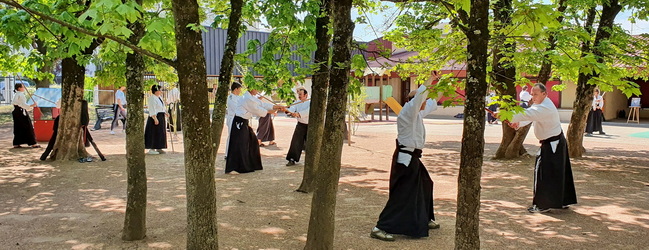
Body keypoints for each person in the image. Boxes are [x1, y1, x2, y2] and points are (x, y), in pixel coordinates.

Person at [371, 84, 439, 241]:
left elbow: (433, 100)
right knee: (402, 193)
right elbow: (421, 97)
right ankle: (380, 227)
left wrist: (440, 83)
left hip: (413, 157)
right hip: (406, 159)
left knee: (426, 183)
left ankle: (424, 218)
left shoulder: (418, 114)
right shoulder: (408, 112)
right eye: (423, 99)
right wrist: (430, 80)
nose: (425, 102)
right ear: (414, 101)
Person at [508, 83, 577, 213]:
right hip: (553, 142)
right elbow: (530, 117)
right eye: (532, 94)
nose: (533, 97)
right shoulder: (540, 105)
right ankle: (560, 201)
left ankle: (543, 204)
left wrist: (505, 115)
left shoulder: (545, 107)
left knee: (543, 173)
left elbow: (528, 114)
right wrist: (517, 123)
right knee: (556, 173)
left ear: (544, 94)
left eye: (536, 94)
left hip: (553, 143)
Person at [225, 88, 283, 174]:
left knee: (253, 142)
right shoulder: (246, 99)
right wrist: (271, 111)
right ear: (252, 89)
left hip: (244, 123)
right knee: (240, 144)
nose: (257, 91)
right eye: (256, 89)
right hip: (239, 123)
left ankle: (252, 164)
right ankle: (236, 167)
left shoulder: (251, 98)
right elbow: (257, 110)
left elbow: (261, 104)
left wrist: (276, 106)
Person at [284, 88, 310, 166]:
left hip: (310, 126)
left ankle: (313, 160)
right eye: (298, 94)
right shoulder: (296, 102)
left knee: (311, 143)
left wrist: (298, 114)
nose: (299, 96)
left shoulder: (310, 102)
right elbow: (292, 109)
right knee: (296, 142)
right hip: (300, 125)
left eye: (301, 94)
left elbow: (308, 111)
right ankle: (292, 159)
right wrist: (286, 110)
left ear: (306, 95)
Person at [11, 83, 40, 148]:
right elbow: (22, 104)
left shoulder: (18, 94)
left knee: (19, 127)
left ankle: (17, 143)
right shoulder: (20, 95)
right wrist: (32, 105)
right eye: (23, 87)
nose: (24, 88)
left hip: (18, 112)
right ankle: (33, 143)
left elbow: (22, 104)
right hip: (20, 112)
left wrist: (30, 106)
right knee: (28, 126)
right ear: (19, 88)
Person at [145, 85, 167, 155]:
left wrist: (165, 112)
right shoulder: (152, 98)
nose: (161, 91)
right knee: (154, 132)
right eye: (160, 90)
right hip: (155, 117)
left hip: (161, 116)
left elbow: (161, 107)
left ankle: (159, 147)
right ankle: (152, 148)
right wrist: (154, 118)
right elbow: (152, 108)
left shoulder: (159, 98)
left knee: (160, 132)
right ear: (156, 91)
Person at [225, 82, 244, 158]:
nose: (240, 91)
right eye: (239, 89)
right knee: (231, 136)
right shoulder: (231, 98)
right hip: (232, 118)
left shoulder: (239, 97)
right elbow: (236, 108)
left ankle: (236, 153)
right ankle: (228, 154)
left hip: (239, 118)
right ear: (236, 89)